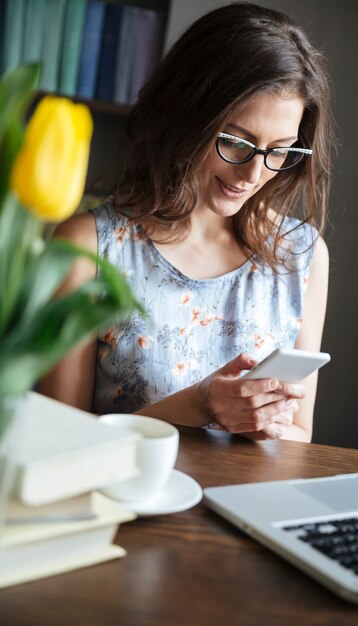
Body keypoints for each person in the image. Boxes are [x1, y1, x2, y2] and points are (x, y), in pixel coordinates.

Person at [39, 2, 333, 442]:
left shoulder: (300, 255)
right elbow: (57, 442)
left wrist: (260, 420)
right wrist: (201, 404)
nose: (254, 174)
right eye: (236, 142)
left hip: (245, 506)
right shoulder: (90, 248)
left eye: (280, 150)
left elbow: (299, 438)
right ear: (186, 112)